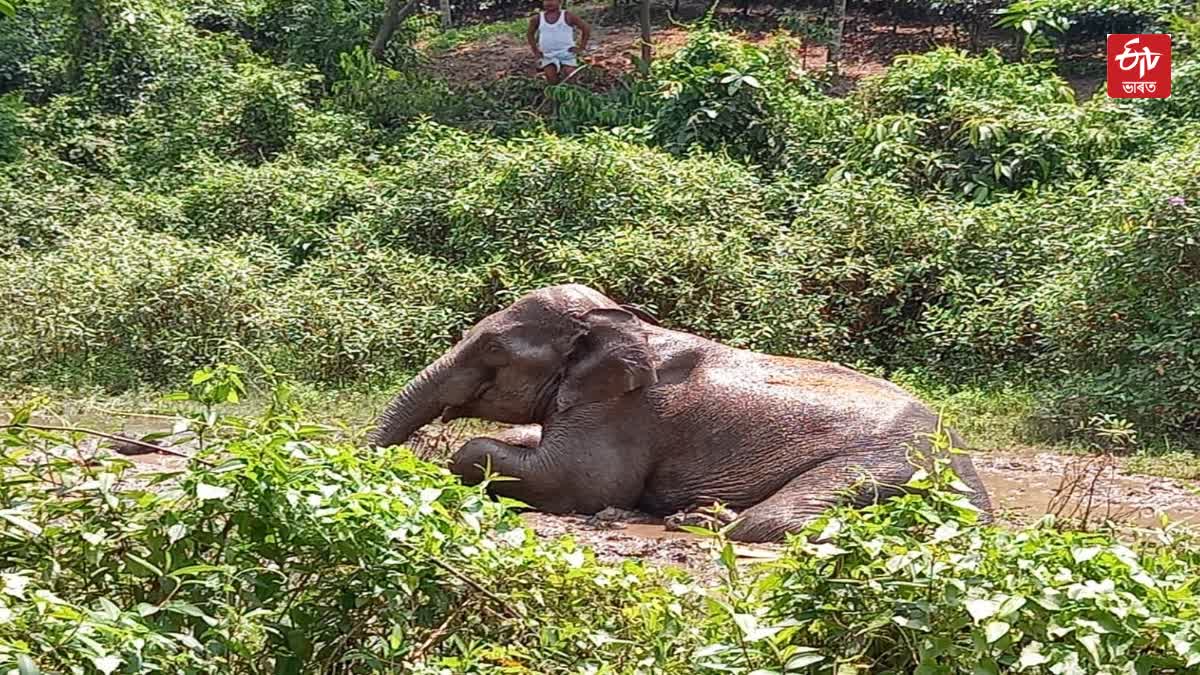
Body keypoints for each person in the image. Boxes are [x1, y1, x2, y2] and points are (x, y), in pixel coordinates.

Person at [527, 0, 590, 85]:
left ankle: (570, 95)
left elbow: (585, 28)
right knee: (551, 79)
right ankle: (555, 96)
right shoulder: (537, 18)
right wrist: (536, 51)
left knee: (570, 76)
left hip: (567, 53)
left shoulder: (568, 16)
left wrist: (581, 47)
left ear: (560, 1)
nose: (549, 3)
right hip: (548, 54)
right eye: (546, 0)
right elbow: (530, 34)